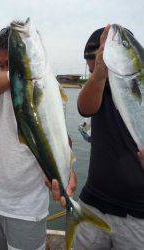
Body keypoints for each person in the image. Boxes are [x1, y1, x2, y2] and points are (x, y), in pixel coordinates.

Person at [0, 23, 76, 250]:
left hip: (27, 209)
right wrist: (21, 72)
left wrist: (67, 170)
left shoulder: (47, 86)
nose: (3, 70)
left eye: (9, 64)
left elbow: (59, 136)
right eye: (0, 65)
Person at [73, 25, 144, 249]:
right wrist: (100, 72)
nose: (90, 65)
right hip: (94, 199)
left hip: (138, 211)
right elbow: (84, 108)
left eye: (92, 59)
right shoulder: (99, 86)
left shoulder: (135, 82)